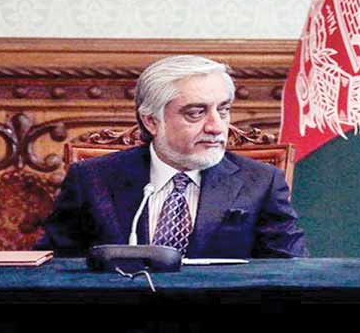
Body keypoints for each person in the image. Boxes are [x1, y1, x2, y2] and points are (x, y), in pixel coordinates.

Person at [37, 55, 307, 258]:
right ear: (152, 121)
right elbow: (54, 268)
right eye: (196, 113)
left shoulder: (261, 182)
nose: (216, 127)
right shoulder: (92, 179)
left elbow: (291, 273)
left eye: (223, 110)